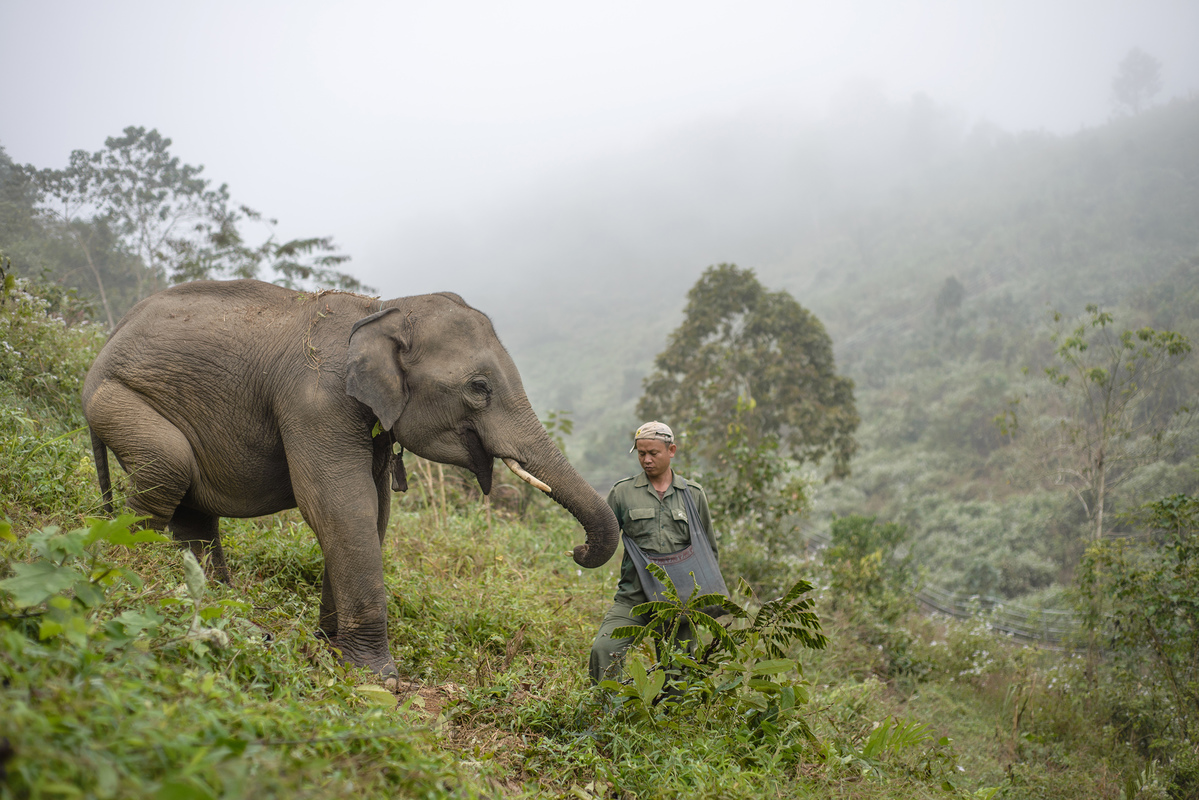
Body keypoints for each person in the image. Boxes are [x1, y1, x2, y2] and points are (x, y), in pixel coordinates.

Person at [588, 420, 717, 684]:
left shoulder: (692, 494)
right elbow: (603, 537)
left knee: (679, 675)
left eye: (653, 453)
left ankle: (672, 723)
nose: (646, 460)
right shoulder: (622, 493)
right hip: (634, 597)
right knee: (603, 650)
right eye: (641, 453)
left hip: (678, 602)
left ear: (672, 451)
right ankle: (607, 716)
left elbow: (708, 551)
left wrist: (702, 601)